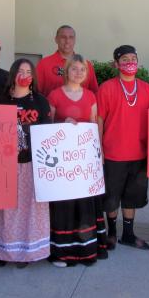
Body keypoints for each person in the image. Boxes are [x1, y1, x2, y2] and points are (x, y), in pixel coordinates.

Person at [47, 54, 108, 267]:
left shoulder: (91, 96)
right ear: (66, 71)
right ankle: (63, 254)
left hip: (83, 162)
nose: (79, 73)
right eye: (74, 68)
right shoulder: (54, 95)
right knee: (64, 206)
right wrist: (63, 123)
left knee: (85, 206)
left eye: (82, 69)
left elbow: (94, 125)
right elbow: (47, 125)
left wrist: (98, 153)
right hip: (63, 163)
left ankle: (86, 251)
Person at [0, 58, 51, 267]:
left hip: (31, 165)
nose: (25, 74)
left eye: (28, 71)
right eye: (20, 70)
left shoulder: (41, 102)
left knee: (28, 210)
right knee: (3, 210)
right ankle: (2, 251)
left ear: (33, 76)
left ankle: (25, 251)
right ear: (13, 74)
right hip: (4, 166)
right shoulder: (0, 101)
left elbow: (48, 134)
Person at [96, 45, 149, 251]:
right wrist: (99, 150)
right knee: (112, 197)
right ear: (116, 64)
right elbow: (99, 120)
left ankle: (129, 235)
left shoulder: (147, 89)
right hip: (113, 153)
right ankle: (112, 233)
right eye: (124, 59)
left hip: (139, 154)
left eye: (133, 58)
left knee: (132, 196)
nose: (129, 62)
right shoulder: (106, 88)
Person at [36, 25, 98, 97]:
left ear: (74, 40)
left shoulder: (86, 65)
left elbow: (94, 94)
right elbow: (35, 93)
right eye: (63, 37)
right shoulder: (44, 64)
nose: (67, 41)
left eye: (71, 37)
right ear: (56, 39)